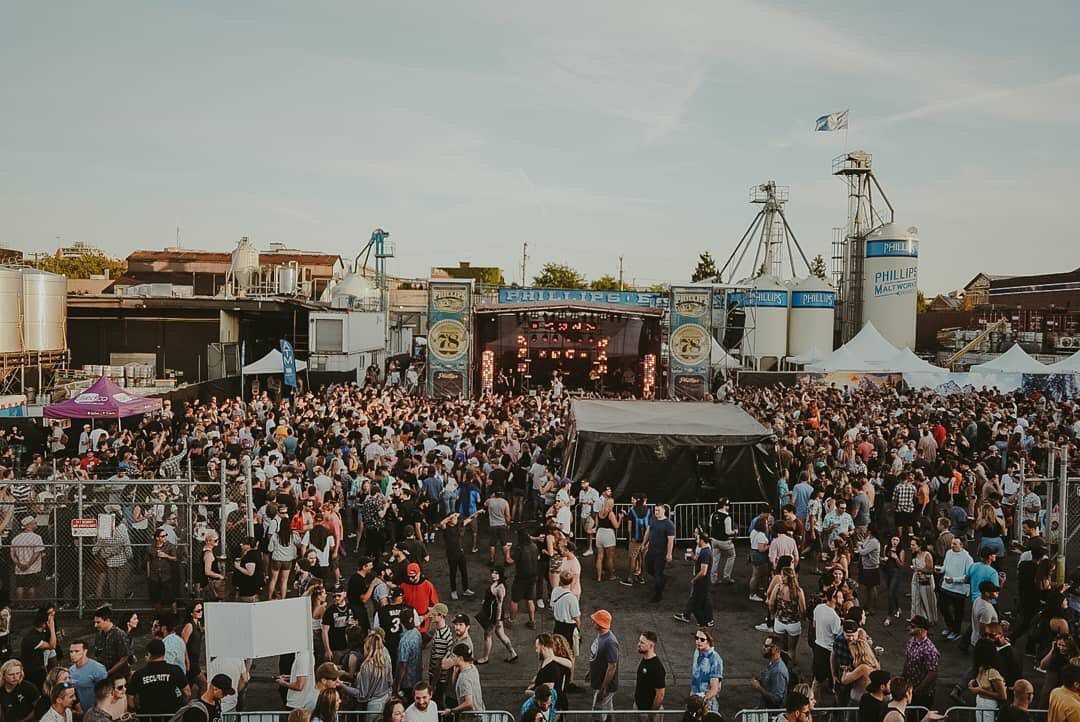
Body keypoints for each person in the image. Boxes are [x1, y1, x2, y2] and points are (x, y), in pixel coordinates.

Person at [127, 639, 189, 716]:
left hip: (147, 717)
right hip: (172, 716)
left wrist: (136, 711)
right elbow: (187, 692)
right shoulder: (175, 670)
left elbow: (130, 699)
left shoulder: (138, 674)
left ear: (149, 653)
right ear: (164, 652)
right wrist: (180, 707)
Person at [476, 568, 517, 665]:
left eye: (496, 573)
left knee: (487, 635)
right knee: (500, 634)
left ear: (500, 575)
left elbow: (499, 605)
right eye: (493, 572)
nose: (493, 575)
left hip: (493, 615)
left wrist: (497, 620)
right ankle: (513, 653)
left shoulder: (500, 588)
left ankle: (485, 657)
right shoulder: (495, 584)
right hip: (491, 613)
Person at [674, 530, 713, 626]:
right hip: (702, 581)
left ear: (702, 540)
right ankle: (705, 620)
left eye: (697, 539)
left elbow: (703, 572)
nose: (696, 541)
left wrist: (694, 579)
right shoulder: (705, 551)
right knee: (700, 600)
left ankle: (704, 621)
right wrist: (693, 557)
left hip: (701, 582)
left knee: (698, 602)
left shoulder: (705, 553)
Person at [902, 616, 940, 710]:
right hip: (911, 688)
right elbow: (907, 662)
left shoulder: (929, 649)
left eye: (913, 626)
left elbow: (932, 673)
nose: (909, 628)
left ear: (921, 630)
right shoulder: (911, 641)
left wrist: (919, 689)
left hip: (923, 694)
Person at [588, 610, 619, 719]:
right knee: (608, 710)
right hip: (600, 682)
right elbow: (597, 656)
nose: (593, 622)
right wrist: (590, 671)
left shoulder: (610, 642)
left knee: (598, 714)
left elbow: (612, 667)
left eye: (595, 621)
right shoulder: (601, 636)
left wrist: (603, 688)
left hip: (605, 686)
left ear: (601, 624)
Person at [970, 637, 1008, 722]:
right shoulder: (981, 668)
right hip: (980, 703)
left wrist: (981, 691)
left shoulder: (993, 672)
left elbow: (1003, 696)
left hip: (989, 705)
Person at [642, 505, 675, 603]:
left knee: (657, 573)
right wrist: (644, 543)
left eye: (658, 510)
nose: (656, 512)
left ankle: (658, 594)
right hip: (651, 550)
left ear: (664, 511)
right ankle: (662, 579)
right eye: (655, 510)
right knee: (649, 568)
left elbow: (670, 540)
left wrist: (669, 554)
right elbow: (648, 532)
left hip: (661, 553)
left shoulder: (668, 524)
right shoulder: (653, 519)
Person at [354, 631, 393, 713]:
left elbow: (362, 695)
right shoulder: (386, 661)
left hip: (373, 707)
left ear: (367, 647)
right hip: (387, 702)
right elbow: (390, 681)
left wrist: (342, 685)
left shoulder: (366, 666)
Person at [442, 644, 484, 717]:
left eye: (453, 656)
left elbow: (469, 703)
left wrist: (452, 711)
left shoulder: (463, 678)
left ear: (460, 658)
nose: (451, 659)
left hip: (472, 718)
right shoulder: (473, 668)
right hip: (481, 712)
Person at [67, 640, 107, 714]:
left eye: (76, 651)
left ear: (85, 651)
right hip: (77, 712)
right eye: (71, 652)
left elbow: (105, 694)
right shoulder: (71, 670)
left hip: (95, 713)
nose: (73, 654)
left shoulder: (98, 669)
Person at [689, 628, 723, 714]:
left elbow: (714, 689)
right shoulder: (697, 652)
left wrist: (702, 701)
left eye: (702, 639)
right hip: (694, 700)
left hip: (707, 705)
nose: (698, 641)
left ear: (709, 641)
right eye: (696, 638)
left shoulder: (715, 659)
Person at [751, 635, 788, 709]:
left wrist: (759, 687)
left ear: (776, 649)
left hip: (772, 714)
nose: (763, 648)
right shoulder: (772, 663)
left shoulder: (778, 671)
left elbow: (777, 700)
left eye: (766, 646)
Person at [91, 607, 131, 678]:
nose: (95, 625)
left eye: (98, 622)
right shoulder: (99, 634)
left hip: (119, 675)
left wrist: (108, 673)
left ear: (107, 620)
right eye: (95, 622)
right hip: (103, 672)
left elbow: (124, 658)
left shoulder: (120, 635)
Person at [634, 631, 666, 718]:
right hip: (639, 707)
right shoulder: (645, 659)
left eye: (642, 642)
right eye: (639, 641)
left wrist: (651, 714)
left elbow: (660, 695)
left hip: (647, 711)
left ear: (651, 645)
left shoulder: (657, 667)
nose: (638, 644)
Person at [593, 492, 622, 582]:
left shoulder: (599, 512)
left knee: (599, 557)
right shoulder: (611, 513)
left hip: (599, 533)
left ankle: (598, 577)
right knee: (610, 557)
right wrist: (620, 518)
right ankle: (612, 575)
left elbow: (596, 525)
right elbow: (616, 526)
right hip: (608, 534)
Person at [707, 498, 736, 585]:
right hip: (724, 541)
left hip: (714, 540)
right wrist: (735, 532)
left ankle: (713, 579)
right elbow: (728, 532)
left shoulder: (713, 514)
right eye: (727, 505)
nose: (728, 507)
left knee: (715, 560)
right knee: (732, 555)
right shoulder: (727, 517)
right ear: (724, 506)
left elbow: (710, 526)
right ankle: (726, 576)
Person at [395, 611, 422, 701]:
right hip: (417, 678)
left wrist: (397, 685)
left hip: (407, 682)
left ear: (401, 622)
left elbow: (403, 665)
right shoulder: (417, 633)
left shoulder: (404, 641)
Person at [232, 536, 264, 602]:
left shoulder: (250, 556)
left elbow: (250, 572)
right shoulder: (255, 553)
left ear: (248, 546)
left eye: (243, 544)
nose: (241, 545)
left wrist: (238, 567)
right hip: (251, 587)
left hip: (248, 589)